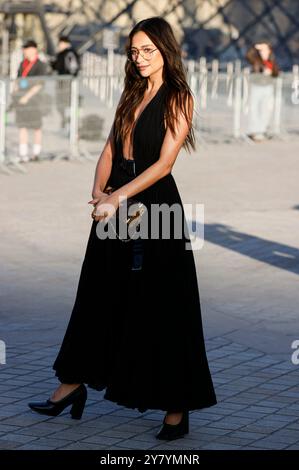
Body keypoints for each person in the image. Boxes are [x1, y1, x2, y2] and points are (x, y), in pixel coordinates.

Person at [28, 17, 217, 441]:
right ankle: (71, 387)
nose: (140, 58)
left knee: (164, 304)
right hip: (117, 201)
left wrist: (118, 198)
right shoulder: (131, 92)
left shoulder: (179, 97)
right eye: (134, 51)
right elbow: (112, 147)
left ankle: (177, 407)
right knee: (99, 293)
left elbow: (164, 164)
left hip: (155, 205)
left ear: (166, 50)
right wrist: (99, 189)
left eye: (148, 50)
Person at [12, 39, 49, 162]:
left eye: (26, 48)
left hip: (35, 101)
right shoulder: (22, 63)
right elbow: (18, 80)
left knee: (36, 126)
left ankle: (36, 153)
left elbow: (39, 84)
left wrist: (26, 97)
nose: (24, 51)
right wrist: (15, 92)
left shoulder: (41, 65)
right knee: (22, 126)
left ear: (33, 49)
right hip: (21, 100)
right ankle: (23, 154)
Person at [246, 41, 280, 142]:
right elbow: (249, 55)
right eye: (261, 50)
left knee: (266, 110)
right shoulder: (256, 60)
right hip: (257, 87)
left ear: (269, 51)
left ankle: (261, 130)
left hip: (268, 87)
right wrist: (256, 47)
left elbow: (276, 72)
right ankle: (255, 131)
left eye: (265, 50)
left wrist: (271, 73)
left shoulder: (272, 61)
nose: (262, 52)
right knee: (254, 109)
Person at [50, 35, 80, 130]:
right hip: (61, 82)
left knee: (67, 103)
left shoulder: (70, 53)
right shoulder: (61, 54)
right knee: (60, 104)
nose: (59, 45)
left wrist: (70, 78)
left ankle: (70, 124)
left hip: (67, 82)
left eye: (60, 43)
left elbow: (74, 68)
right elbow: (57, 66)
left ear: (65, 43)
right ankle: (66, 122)